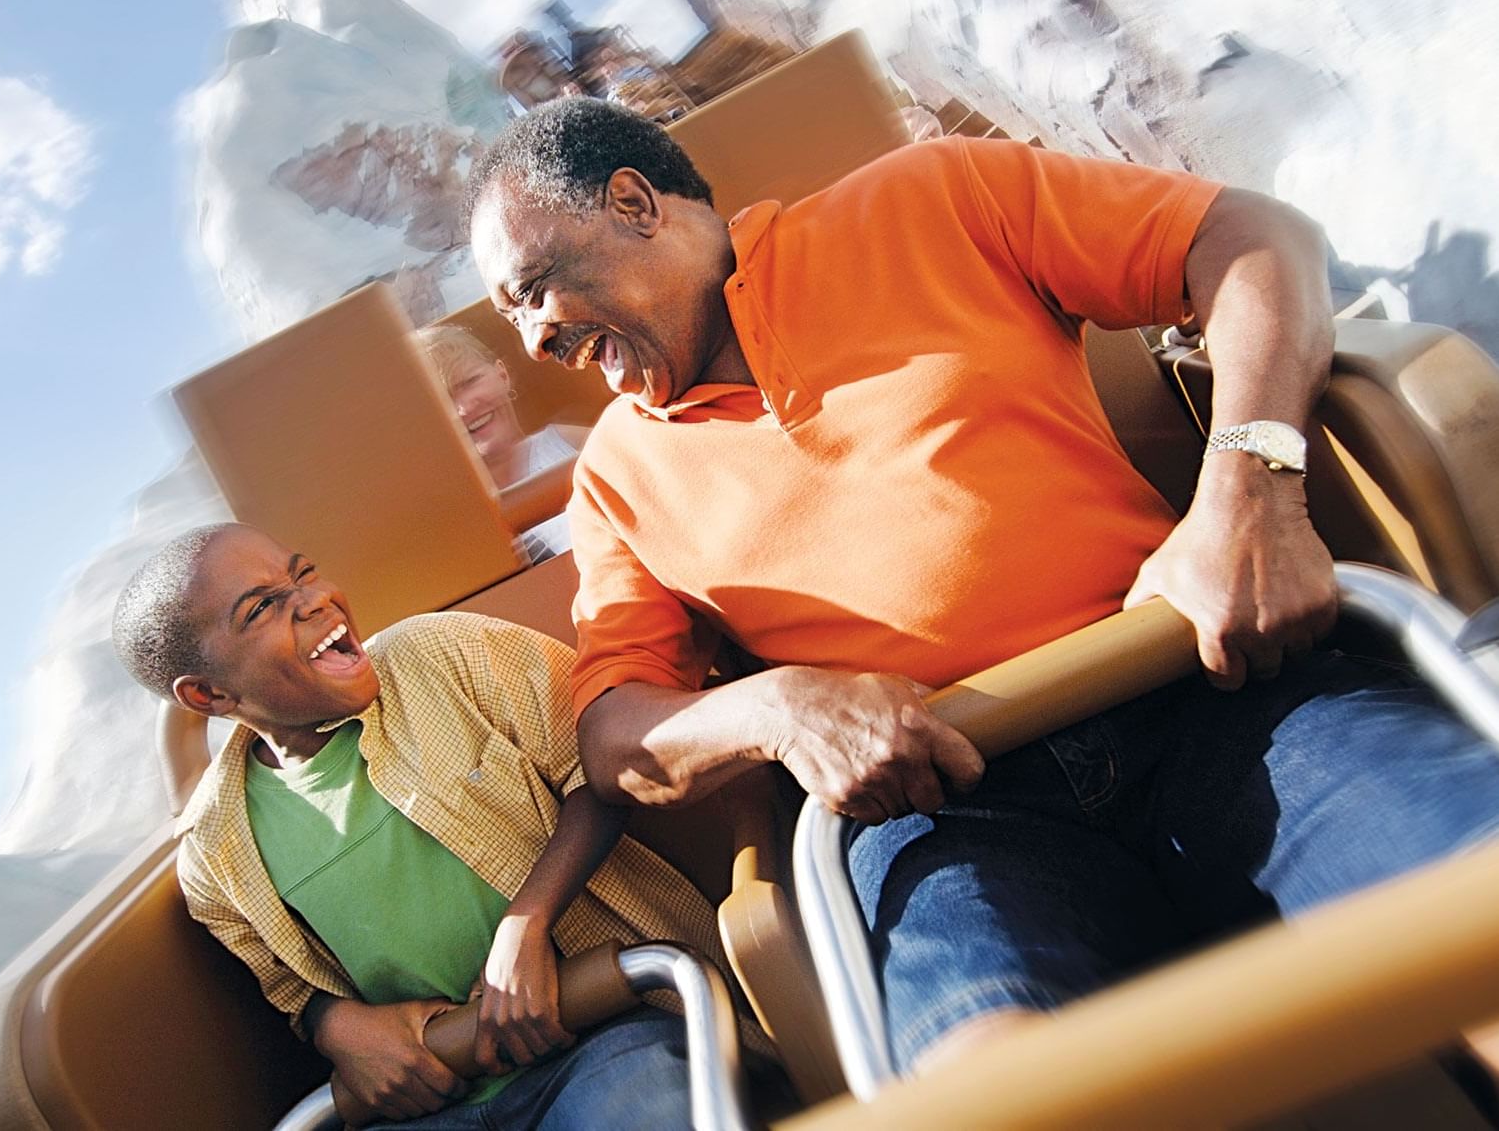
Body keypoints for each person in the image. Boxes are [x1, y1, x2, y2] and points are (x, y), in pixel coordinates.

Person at [463, 97, 1499, 1074]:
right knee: (994, 1080)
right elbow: (616, 740)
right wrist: (774, 706)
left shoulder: (931, 198)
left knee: (1467, 887)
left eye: (533, 289)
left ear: (635, 205)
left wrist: (1248, 486)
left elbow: (1249, 236)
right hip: (946, 818)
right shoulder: (613, 480)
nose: (535, 343)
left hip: (1209, 688)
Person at [111, 522, 720, 1128]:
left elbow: (600, 766)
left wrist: (525, 924)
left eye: (304, 573)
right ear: (208, 695)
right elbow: (293, 990)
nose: (314, 600)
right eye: (265, 607)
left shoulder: (444, 655)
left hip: (606, 1033)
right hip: (433, 1103)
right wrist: (336, 1028)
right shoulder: (215, 852)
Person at [418, 324, 586, 563]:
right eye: (442, 401)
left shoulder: (570, 444)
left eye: (469, 382)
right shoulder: (444, 519)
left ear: (502, 375)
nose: (463, 409)